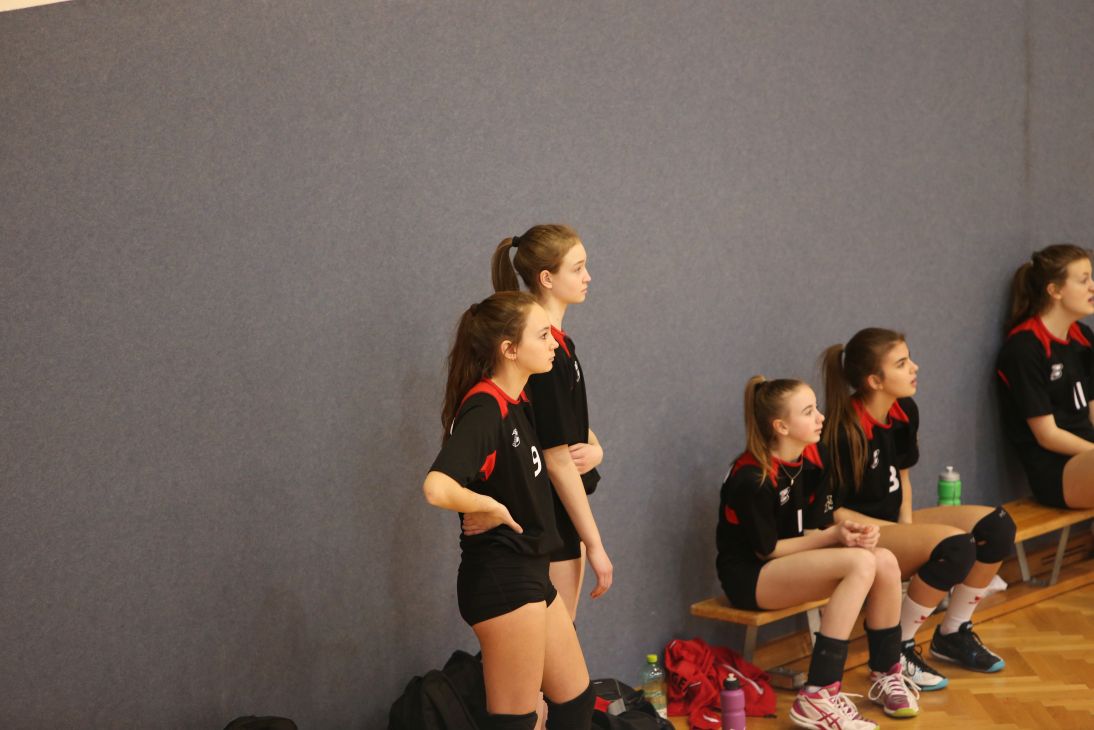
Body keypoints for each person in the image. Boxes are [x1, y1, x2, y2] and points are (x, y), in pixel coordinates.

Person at [422, 292, 594, 730]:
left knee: (576, 701)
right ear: (509, 349)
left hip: (532, 570)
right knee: (516, 722)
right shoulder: (486, 406)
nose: (553, 343)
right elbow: (437, 487)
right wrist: (489, 505)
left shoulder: (518, 401)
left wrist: (596, 450)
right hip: (502, 578)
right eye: (542, 335)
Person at [821, 329, 1015, 692]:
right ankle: (898, 647)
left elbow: (903, 477)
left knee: (998, 526)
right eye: (901, 363)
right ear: (875, 380)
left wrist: (907, 525)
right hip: (858, 535)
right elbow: (831, 512)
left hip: (894, 523)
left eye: (909, 358)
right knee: (957, 547)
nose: (915, 367)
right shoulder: (842, 431)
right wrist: (898, 532)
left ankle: (953, 632)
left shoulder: (904, 410)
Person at [718, 376, 918, 729]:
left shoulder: (814, 458)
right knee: (860, 564)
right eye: (808, 411)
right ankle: (818, 691)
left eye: (816, 408)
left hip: (791, 564)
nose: (821, 417)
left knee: (884, 559)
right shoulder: (752, 477)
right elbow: (767, 551)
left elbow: (814, 529)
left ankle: (886, 672)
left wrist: (847, 534)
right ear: (781, 426)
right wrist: (834, 538)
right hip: (752, 577)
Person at [490, 224, 612, 620]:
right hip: (548, 514)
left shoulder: (560, 344)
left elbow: (568, 422)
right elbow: (556, 457)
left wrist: (596, 448)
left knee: (558, 641)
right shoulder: (543, 353)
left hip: (563, 512)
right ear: (546, 278)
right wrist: (596, 545)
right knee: (552, 643)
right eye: (577, 268)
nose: (587, 277)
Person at [997, 243, 1094, 509]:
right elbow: (1047, 435)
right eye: (1083, 280)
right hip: (1057, 472)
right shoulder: (1024, 348)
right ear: (1055, 290)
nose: (1092, 287)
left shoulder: (1083, 337)